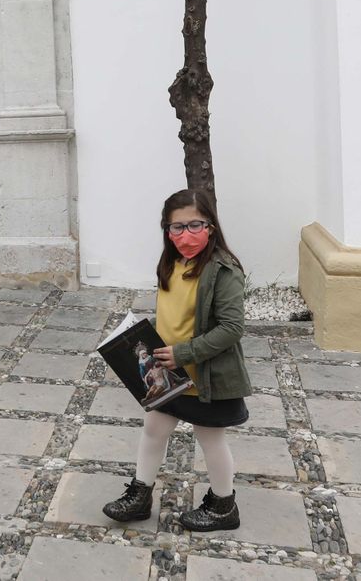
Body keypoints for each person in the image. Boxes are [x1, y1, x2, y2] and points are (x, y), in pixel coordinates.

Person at [104, 189, 251, 532]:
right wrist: (139, 339)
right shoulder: (171, 264)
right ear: (166, 230)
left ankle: (223, 506)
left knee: (210, 438)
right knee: (154, 429)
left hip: (206, 376)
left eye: (194, 225)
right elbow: (172, 317)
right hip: (168, 375)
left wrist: (184, 353)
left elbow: (232, 328)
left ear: (211, 226)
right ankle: (140, 496)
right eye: (176, 228)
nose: (185, 235)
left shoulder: (223, 271)